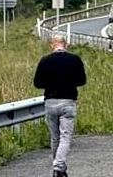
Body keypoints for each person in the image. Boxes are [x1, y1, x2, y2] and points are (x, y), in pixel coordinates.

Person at [34, 34, 87, 177]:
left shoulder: (45, 61)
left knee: (55, 137)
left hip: (50, 102)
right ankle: (58, 166)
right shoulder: (75, 60)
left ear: (52, 44)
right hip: (68, 101)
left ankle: (59, 169)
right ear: (66, 44)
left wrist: (50, 83)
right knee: (66, 136)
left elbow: (37, 83)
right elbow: (82, 81)